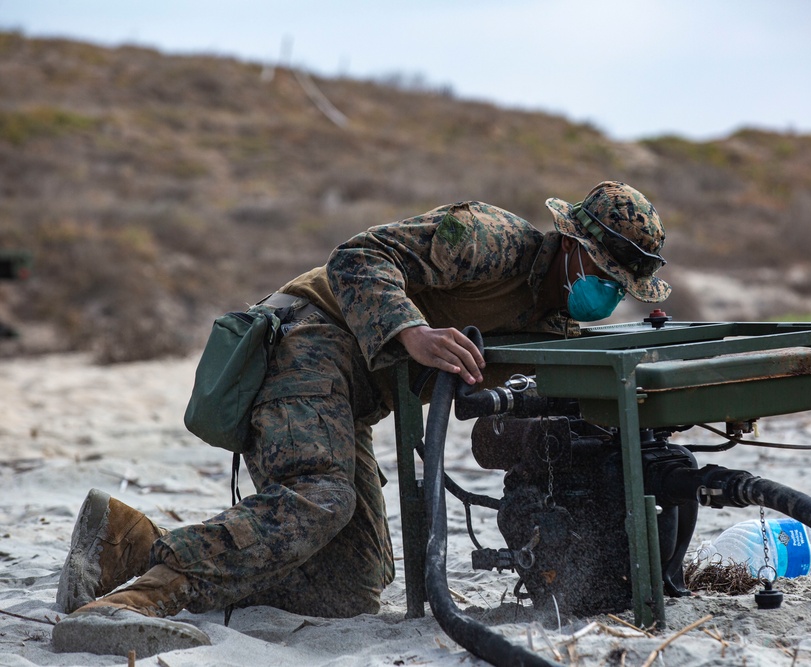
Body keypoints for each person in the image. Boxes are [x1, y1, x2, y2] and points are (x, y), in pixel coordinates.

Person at [54, 181, 670, 647]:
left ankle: (125, 545)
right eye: (601, 274)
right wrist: (412, 332)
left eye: (619, 289)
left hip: (352, 396)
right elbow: (358, 257)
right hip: (307, 335)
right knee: (319, 497)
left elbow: (494, 431)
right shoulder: (490, 240)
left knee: (351, 585)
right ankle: (139, 600)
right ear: (569, 244)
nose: (606, 295)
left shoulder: (555, 325)